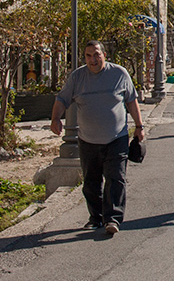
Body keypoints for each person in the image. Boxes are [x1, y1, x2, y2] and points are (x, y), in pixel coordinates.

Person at [50, 40, 144, 237]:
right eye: (88, 56)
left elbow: (131, 101)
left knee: (116, 178)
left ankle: (113, 218)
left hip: (116, 137)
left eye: (96, 54)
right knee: (91, 182)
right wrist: (55, 118)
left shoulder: (119, 74)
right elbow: (62, 99)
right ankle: (96, 217)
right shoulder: (78, 77)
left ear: (104, 55)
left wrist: (139, 126)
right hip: (88, 140)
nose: (92, 59)